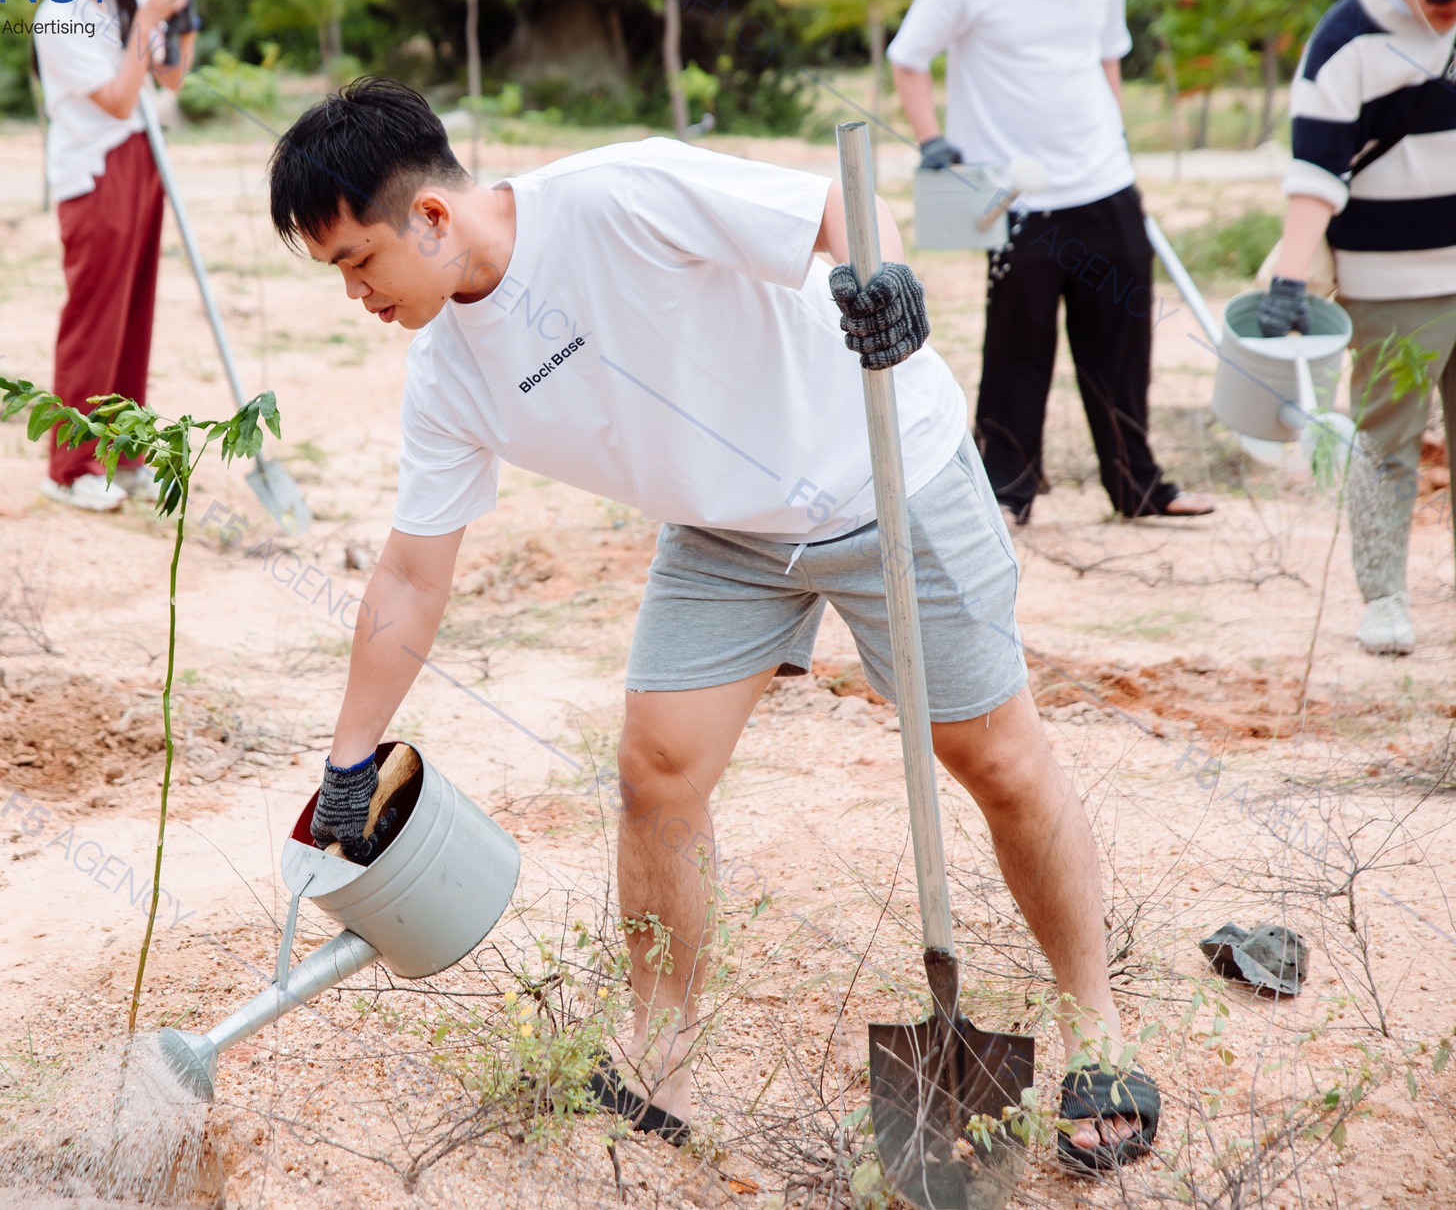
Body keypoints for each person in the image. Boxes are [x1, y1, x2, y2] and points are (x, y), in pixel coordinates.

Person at [269, 78, 1157, 1171]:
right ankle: (658, 1053)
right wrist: (348, 759)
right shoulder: (445, 375)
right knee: (655, 770)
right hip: (722, 530)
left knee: (992, 757)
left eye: (358, 260)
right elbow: (409, 578)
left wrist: (869, 273)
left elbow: (826, 203)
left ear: (433, 218)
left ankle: (1099, 1035)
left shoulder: (618, 194)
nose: (353, 292)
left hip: (882, 470)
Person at [889, 0, 1215, 526]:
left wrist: (1118, 139)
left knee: (1122, 340)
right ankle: (1005, 491)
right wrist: (931, 141)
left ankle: (1137, 484)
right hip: (1017, 196)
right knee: (1018, 344)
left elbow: (1107, 57)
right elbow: (909, 58)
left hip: (1105, 180)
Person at [1264, 0, 1456, 655]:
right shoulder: (1344, 41)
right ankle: (1384, 598)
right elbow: (1315, 174)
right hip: (1391, 284)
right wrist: (1287, 276)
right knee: (1386, 442)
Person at [28, 0, 194, 512]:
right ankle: (70, 468)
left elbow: (170, 76)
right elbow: (121, 97)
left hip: (143, 160)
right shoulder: (60, 17)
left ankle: (123, 455)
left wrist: (179, 21)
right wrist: (146, 22)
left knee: (134, 315)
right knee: (95, 318)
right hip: (93, 174)